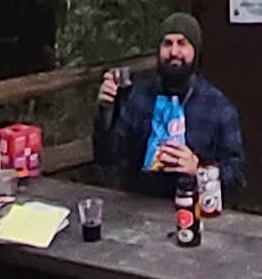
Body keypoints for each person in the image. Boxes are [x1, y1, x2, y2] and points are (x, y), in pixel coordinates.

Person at [93, 12, 246, 202]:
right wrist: (106, 110)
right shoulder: (141, 96)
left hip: (194, 210)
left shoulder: (217, 107)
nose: (174, 52)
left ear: (195, 51)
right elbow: (106, 157)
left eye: (182, 43)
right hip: (139, 206)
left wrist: (199, 170)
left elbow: (237, 176)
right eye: (167, 43)